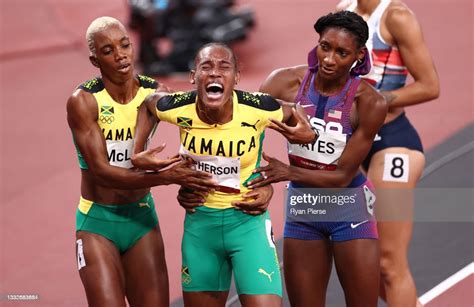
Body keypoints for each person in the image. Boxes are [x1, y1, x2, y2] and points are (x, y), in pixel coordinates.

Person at [131, 42, 317, 307]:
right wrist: (139, 150)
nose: (215, 73)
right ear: (194, 77)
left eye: (224, 67)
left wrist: (308, 133)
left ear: (236, 78)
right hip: (200, 227)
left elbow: (294, 109)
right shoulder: (178, 107)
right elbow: (148, 104)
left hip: (247, 222)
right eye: (206, 67)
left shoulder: (258, 108)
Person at [66, 16, 216, 307]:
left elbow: (204, 127)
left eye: (124, 45)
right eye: (108, 51)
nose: (120, 55)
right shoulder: (84, 101)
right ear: (95, 60)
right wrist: (170, 176)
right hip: (98, 222)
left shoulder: (155, 93)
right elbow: (102, 173)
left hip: (141, 218)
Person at [246, 11, 388, 306]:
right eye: (325, 47)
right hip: (303, 207)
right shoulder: (283, 83)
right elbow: (244, 128)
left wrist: (287, 173)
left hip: (348, 206)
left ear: (358, 55)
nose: (329, 59)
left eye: (342, 52)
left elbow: (341, 177)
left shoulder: (370, 102)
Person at [336, 1, 440, 306]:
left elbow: (430, 86)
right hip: (355, 144)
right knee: (361, 266)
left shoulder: (396, 16)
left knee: (389, 263)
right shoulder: (345, 8)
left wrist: (375, 101)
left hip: (393, 145)